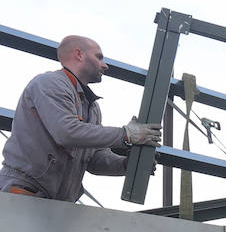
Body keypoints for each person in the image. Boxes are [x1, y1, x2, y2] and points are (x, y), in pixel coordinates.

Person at [1, 35, 160, 201]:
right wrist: (126, 135)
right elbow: (67, 132)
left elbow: (94, 158)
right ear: (79, 54)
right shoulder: (50, 83)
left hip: (57, 202)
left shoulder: (92, 107)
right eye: (99, 57)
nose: (105, 65)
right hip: (25, 193)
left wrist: (126, 164)